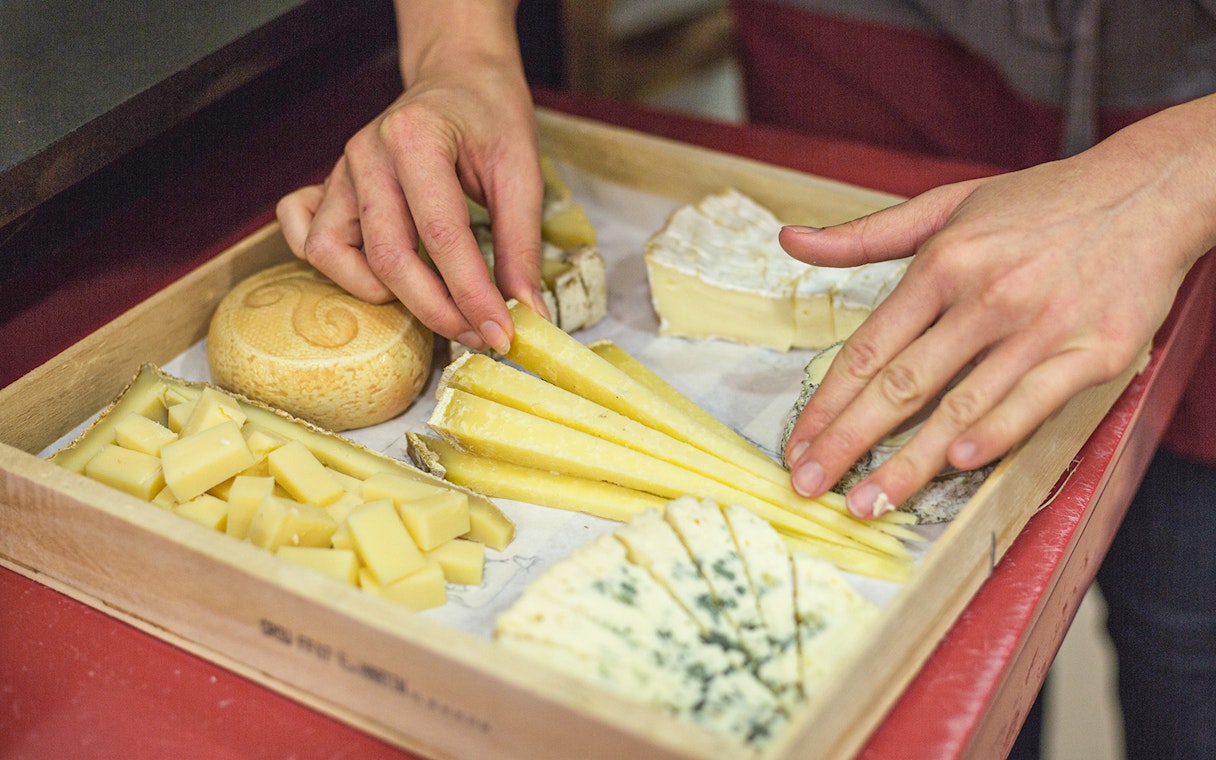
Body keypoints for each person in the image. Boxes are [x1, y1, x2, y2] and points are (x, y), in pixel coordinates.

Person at [276, 1, 1216, 756]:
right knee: (966, 677)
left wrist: (1176, 175)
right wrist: (459, 47)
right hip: (857, 103)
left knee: (1192, 656)